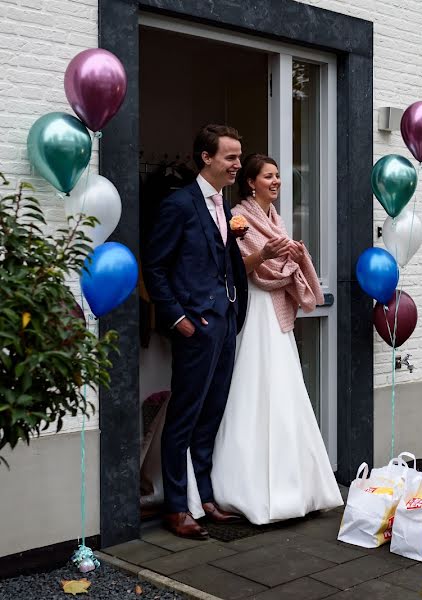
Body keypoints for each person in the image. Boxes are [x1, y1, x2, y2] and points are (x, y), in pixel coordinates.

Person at [186, 153, 342, 525]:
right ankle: (239, 487)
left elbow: (279, 262)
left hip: (276, 313)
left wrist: (288, 257)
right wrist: (265, 254)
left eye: (278, 177)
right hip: (253, 308)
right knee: (251, 388)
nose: (276, 182)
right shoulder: (237, 216)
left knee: (284, 390)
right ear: (251, 182)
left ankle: (297, 486)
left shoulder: (276, 219)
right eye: (268, 176)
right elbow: (233, 267)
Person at [143, 124, 249, 539]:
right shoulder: (179, 204)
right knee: (185, 417)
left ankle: (203, 498)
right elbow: (155, 266)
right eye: (231, 157)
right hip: (196, 326)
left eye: (239, 157)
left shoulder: (223, 204)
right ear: (206, 157)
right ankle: (175, 507)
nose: (238, 165)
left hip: (224, 323)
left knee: (211, 414)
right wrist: (178, 319)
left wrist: (234, 309)